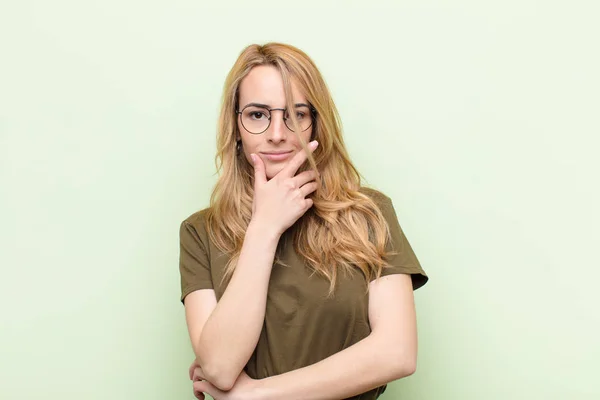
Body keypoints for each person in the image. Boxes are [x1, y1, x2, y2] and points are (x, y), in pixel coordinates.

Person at [179, 42, 428, 400]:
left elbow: (397, 353)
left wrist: (255, 395)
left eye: (296, 114)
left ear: (316, 124)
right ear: (235, 125)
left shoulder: (368, 213)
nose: (278, 133)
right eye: (257, 115)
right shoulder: (200, 232)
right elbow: (219, 365)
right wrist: (264, 228)